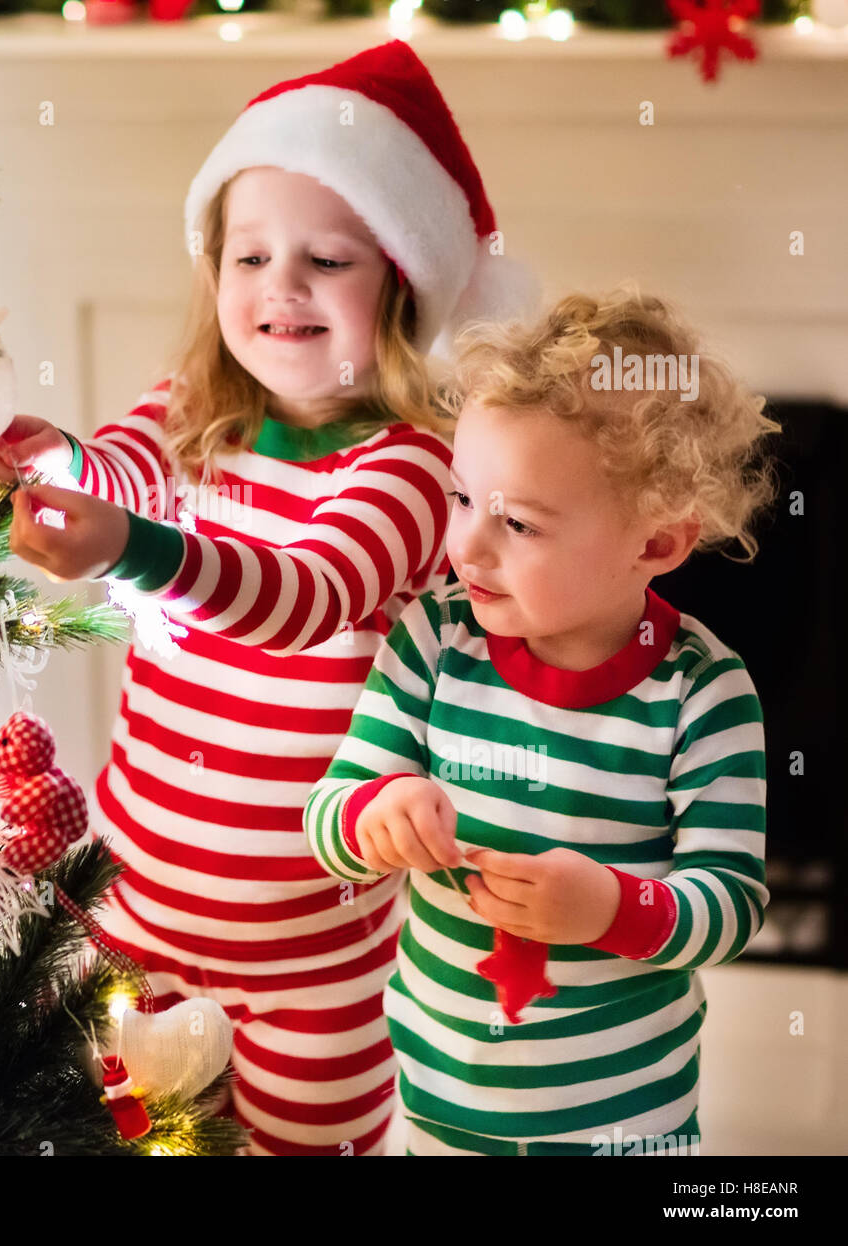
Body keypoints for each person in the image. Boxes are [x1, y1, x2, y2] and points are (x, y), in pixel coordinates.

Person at [0, 40, 535, 1155]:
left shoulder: (413, 465)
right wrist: (62, 464)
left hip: (316, 966)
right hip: (131, 916)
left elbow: (302, 594)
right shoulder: (194, 404)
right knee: (99, 1134)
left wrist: (131, 547)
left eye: (326, 259)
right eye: (247, 256)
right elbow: (124, 469)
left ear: (398, 287)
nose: (278, 285)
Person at [306, 292, 778, 1156]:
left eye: (517, 522)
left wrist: (609, 908)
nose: (467, 548)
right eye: (462, 499)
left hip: (625, 1119)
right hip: (441, 1101)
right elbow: (329, 814)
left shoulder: (703, 694)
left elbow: (732, 905)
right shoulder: (435, 639)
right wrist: (377, 813)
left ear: (656, 547)